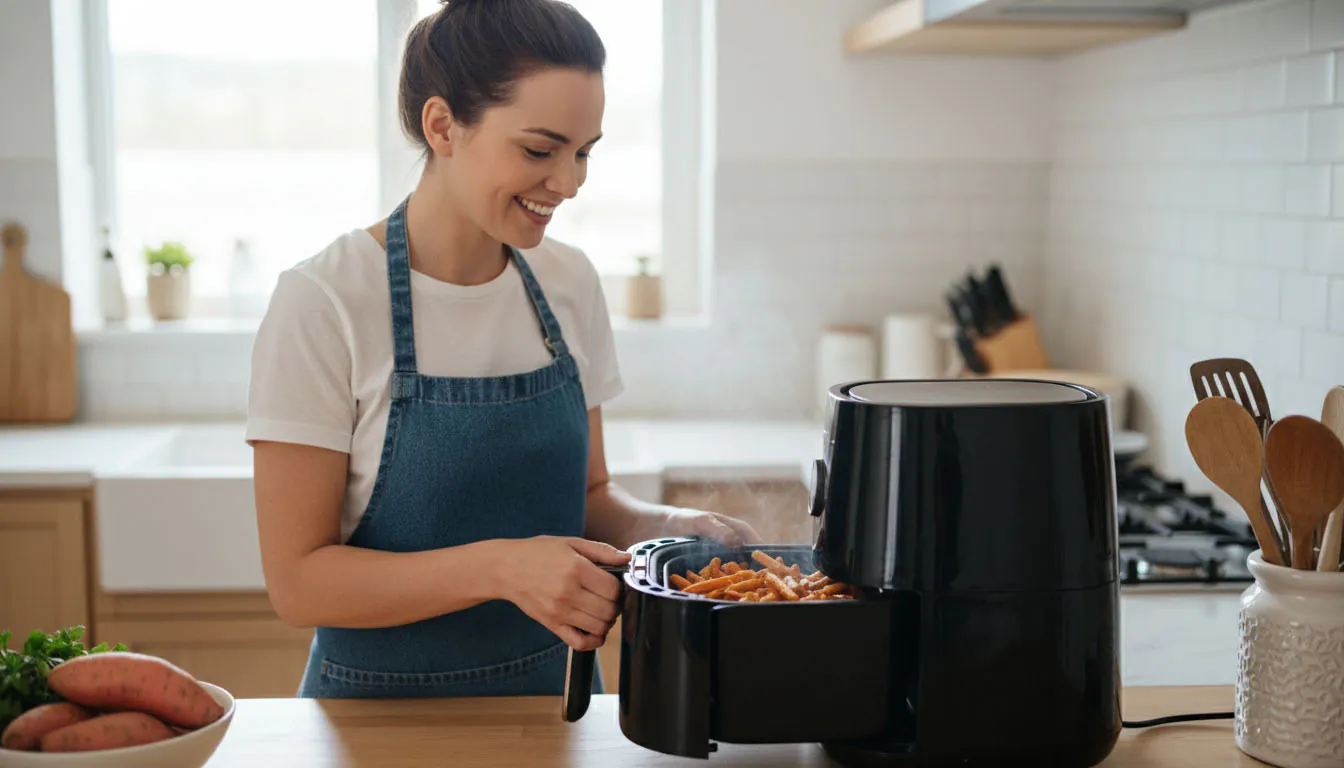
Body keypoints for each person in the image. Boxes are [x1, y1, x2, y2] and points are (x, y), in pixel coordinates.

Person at [244, 0, 759, 699]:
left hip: (557, 710)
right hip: (374, 726)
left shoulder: (568, 281)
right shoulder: (325, 300)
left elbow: (588, 498)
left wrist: (668, 527)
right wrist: (503, 570)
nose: (570, 182)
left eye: (584, 152)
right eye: (540, 150)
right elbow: (299, 584)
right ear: (442, 126)